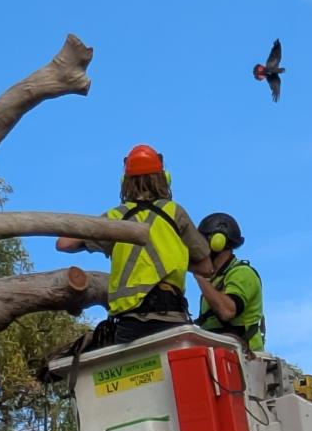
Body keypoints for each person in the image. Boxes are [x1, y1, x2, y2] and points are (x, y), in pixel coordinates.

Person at [56, 144, 213, 345]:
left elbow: (64, 244)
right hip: (171, 316)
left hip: (130, 323)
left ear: (125, 183)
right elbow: (206, 267)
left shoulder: (116, 217)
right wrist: (176, 257)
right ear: (164, 179)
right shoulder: (174, 212)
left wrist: (93, 228)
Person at [193, 212, 265, 351]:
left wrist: (199, 276)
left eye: (202, 241)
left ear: (217, 242)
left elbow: (227, 311)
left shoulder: (242, 273)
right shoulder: (214, 281)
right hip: (223, 354)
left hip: (246, 359)